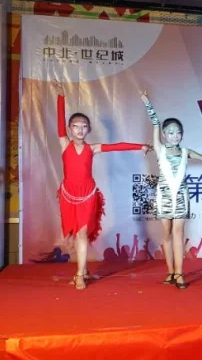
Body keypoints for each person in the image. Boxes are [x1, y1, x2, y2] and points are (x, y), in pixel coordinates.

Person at [55, 84, 151, 290]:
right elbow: (59, 126)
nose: (80, 130)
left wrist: (140, 146)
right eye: (75, 126)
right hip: (68, 195)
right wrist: (61, 97)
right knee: (75, 234)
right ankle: (83, 270)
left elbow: (117, 146)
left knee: (82, 233)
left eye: (84, 126)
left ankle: (79, 275)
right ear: (70, 129)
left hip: (88, 195)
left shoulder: (92, 148)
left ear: (89, 129)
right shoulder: (64, 144)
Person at [141, 91, 202, 289]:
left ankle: (179, 273)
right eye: (170, 132)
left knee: (178, 232)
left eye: (178, 132)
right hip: (164, 196)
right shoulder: (160, 149)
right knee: (166, 234)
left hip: (181, 196)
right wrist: (147, 102)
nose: (175, 136)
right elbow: (155, 123)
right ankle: (170, 272)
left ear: (182, 134)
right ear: (164, 135)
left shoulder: (185, 152)